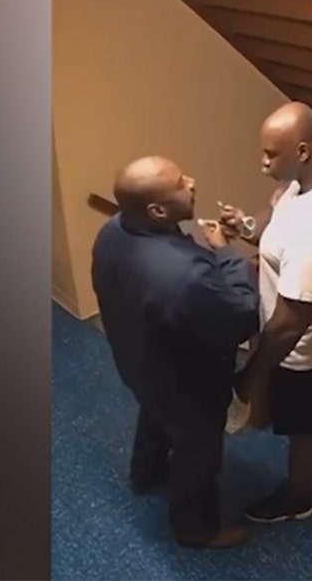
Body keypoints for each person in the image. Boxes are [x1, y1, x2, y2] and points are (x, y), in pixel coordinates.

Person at [90, 156, 260, 549]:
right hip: (188, 383)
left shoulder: (112, 230)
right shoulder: (180, 275)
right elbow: (241, 316)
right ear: (158, 210)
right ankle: (195, 529)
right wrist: (224, 252)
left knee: (155, 410)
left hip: (138, 358)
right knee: (198, 449)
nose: (193, 181)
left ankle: (145, 472)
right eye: (182, 183)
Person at [219, 101, 312, 522]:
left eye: (271, 154)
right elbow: (278, 225)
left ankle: (297, 499)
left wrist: (251, 377)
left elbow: (288, 326)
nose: (262, 161)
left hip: (309, 354)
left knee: (304, 431)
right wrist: (249, 227)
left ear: (302, 150)